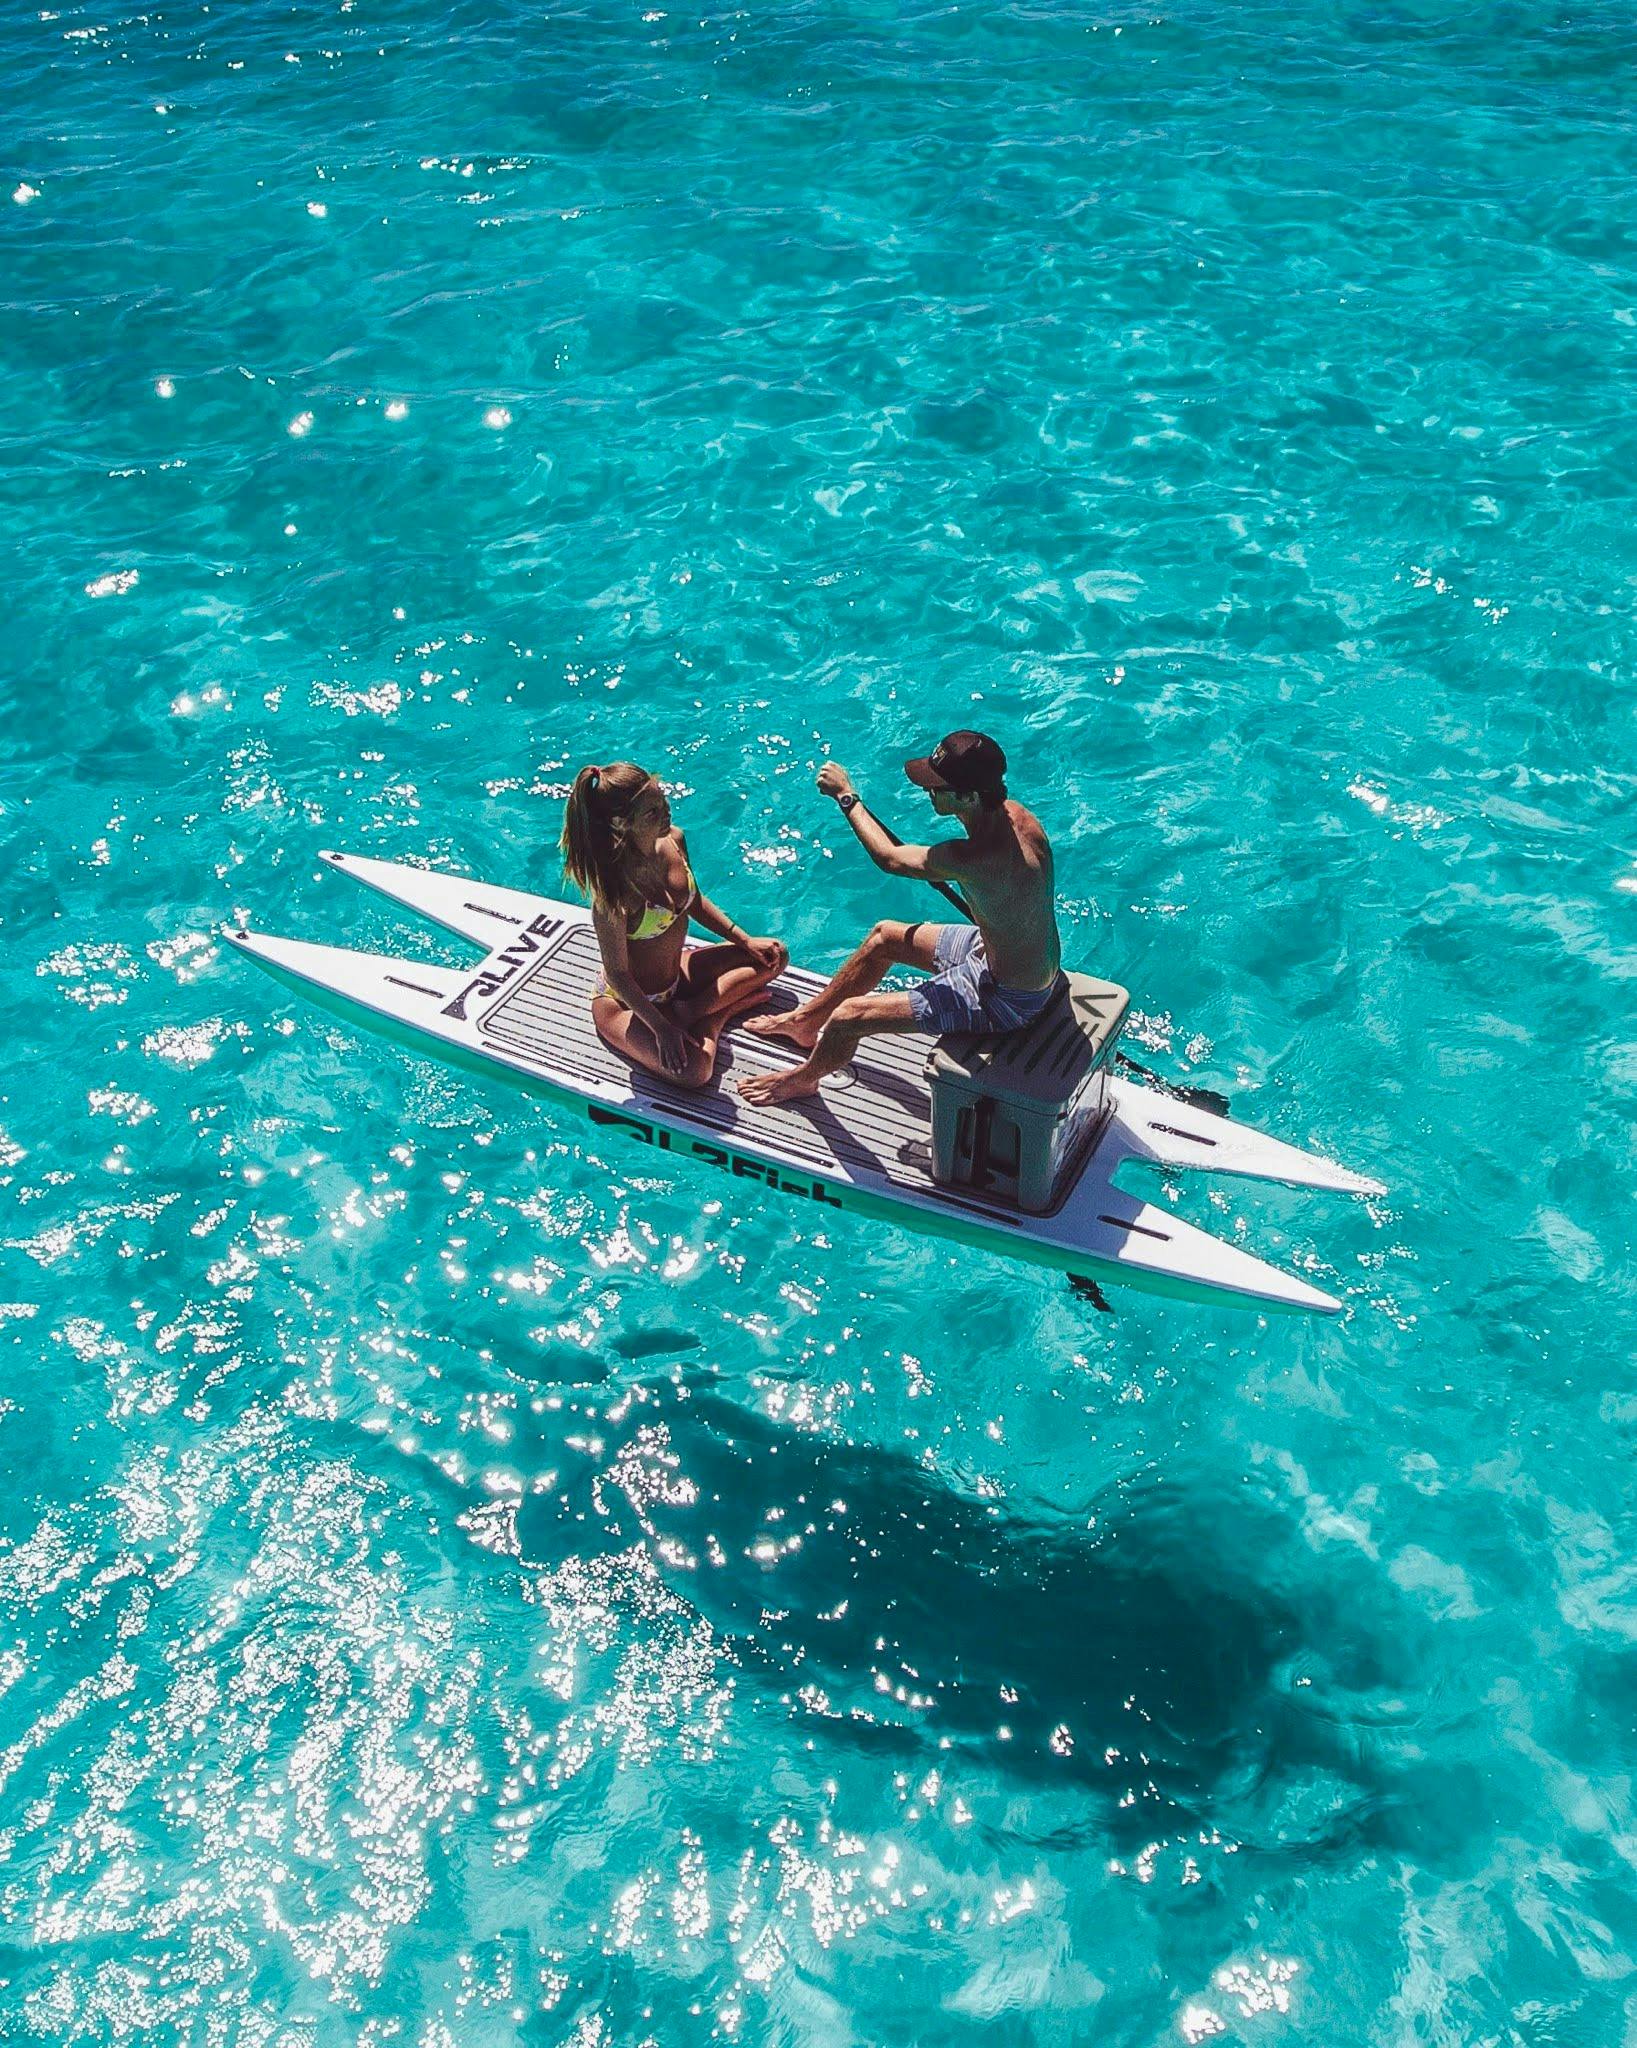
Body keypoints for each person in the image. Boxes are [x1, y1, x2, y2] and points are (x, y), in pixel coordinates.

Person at [738, 731, 1062, 1106]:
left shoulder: (973, 857)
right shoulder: (1017, 816)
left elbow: (889, 858)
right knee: (884, 937)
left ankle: (803, 1080)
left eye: (938, 788)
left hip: (1008, 996)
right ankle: (806, 1022)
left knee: (848, 1018)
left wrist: (847, 797)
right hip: (1001, 956)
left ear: (970, 797)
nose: (929, 793)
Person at [562, 761, 787, 1088]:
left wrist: (743, 940)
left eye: (663, 800)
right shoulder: (615, 896)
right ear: (621, 824)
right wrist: (661, 1029)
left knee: (775, 956)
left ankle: (691, 1011)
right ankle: (714, 1018)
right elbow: (618, 975)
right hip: (628, 1004)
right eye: (652, 813)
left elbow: (693, 901)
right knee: (696, 1073)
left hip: (677, 979)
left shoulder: (674, 840)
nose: (666, 813)